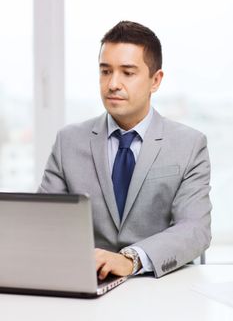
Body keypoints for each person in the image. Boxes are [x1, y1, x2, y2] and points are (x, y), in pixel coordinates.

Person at [38, 21, 212, 279]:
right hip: (86, 284)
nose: (112, 84)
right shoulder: (68, 142)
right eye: (105, 71)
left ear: (156, 80)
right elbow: (42, 224)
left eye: (127, 73)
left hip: (159, 289)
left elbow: (195, 228)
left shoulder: (189, 144)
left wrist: (131, 259)